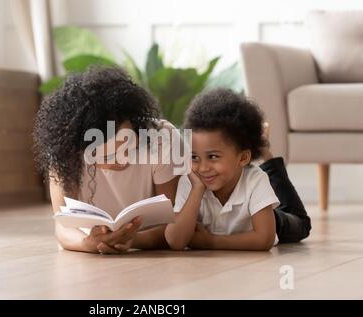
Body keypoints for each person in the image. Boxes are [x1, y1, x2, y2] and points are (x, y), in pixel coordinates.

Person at [33, 67, 180, 254]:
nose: (122, 158)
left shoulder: (161, 137)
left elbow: (170, 223)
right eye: (105, 156)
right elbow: (63, 227)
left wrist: (132, 239)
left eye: (128, 144)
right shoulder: (65, 150)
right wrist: (89, 244)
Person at [165, 88, 311, 251]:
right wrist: (197, 190)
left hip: (277, 221)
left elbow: (264, 239)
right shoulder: (191, 182)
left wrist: (210, 242)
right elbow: (175, 241)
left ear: (243, 158)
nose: (203, 168)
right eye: (194, 157)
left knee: (302, 222)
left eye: (213, 156)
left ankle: (265, 152)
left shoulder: (255, 180)